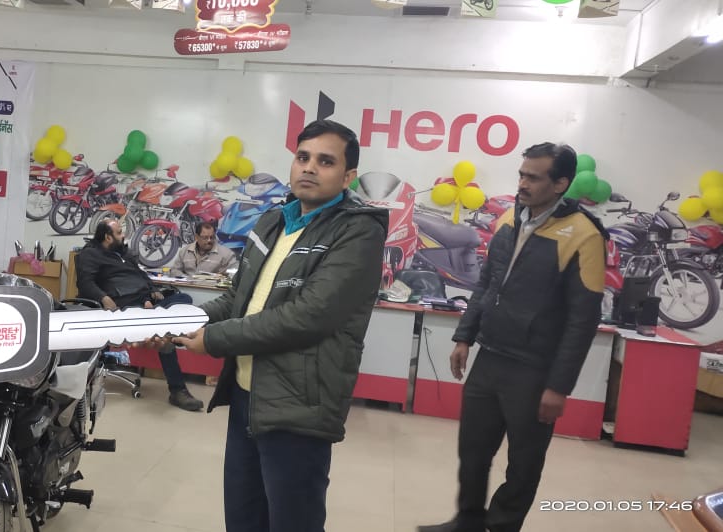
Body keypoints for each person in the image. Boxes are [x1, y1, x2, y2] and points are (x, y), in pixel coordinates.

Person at [166, 119, 388, 532]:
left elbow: (307, 317)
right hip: (248, 396)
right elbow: (239, 297)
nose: (309, 167)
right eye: (303, 157)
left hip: (299, 404)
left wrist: (213, 339)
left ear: (348, 177)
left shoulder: (358, 231)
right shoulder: (272, 221)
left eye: (325, 161)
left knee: (291, 521)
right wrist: (180, 321)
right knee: (243, 517)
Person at [418, 143, 607, 532]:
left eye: (533, 178)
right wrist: (464, 337)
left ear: (560, 184)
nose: (522, 183)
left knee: (524, 462)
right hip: (490, 356)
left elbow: (582, 320)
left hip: (535, 369)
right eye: (522, 174)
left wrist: (559, 386)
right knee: (473, 451)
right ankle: (468, 521)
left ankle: (502, 526)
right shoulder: (509, 218)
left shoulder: (584, 235)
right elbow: (487, 283)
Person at [75, 219, 205, 411]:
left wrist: (152, 292)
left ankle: (160, 323)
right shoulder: (90, 255)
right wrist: (103, 298)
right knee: (164, 329)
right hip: (122, 307)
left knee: (184, 299)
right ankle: (178, 390)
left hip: (145, 304)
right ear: (107, 237)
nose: (124, 235)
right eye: (119, 233)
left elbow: (141, 277)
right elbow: (85, 283)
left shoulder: (124, 254)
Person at [169, 221, 239, 276]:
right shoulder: (185, 251)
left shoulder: (226, 254)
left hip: (212, 288)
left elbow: (235, 272)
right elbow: (175, 270)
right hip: (188, 287)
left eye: (212, 237)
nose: (209, 240)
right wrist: (186, 278)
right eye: (205, 237)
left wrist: (223, 274)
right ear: (196, 237)